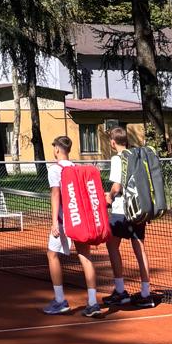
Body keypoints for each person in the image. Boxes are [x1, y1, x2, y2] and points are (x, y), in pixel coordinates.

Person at [41, 135, 102, 318]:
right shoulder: (76, 168)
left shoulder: (54, 169)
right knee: (85, 256)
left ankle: (60, 301)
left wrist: (54, 223)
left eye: (54, 148)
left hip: (64, 221)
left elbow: (55, 196)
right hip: (80, 220)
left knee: (52, 255)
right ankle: (93, 302)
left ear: (58, 149)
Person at [105, 125, 157, 308]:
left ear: (113, 142)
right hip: (139, 209)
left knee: (111, 245)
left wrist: (108, 197)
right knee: (139, 248)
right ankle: (145, 293)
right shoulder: (137, 156)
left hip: (121, 210)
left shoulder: (118, 159)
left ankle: (120, 291)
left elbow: (117, 187)